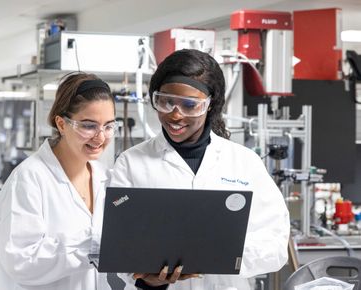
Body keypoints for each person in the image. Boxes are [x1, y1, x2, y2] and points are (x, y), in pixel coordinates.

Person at [110, 49, 290, 290]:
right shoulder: (131, 162)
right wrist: (145, 278)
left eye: (189, 105)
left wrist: (217, 257)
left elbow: (275, 243)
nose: (175, 114)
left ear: (210, 105)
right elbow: (116, 241)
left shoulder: (244, 162)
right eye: (165, 101)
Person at [0, 72, 120, 290]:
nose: (100, 137)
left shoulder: (104, 178)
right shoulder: (29, 179)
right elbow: (20, 262)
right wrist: (93, 245)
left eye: (108, 126)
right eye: (89, 126)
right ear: (61, 124)